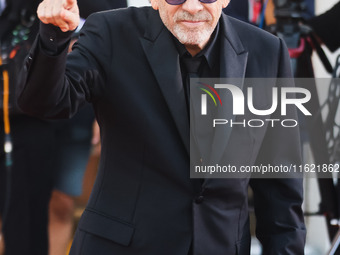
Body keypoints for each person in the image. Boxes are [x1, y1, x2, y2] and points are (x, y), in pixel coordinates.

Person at [17, 0, 306, 254]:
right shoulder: (111, 32)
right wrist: (53, 38)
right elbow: (45, 104)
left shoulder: (267, 51)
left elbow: (281, 193)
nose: (192, 7)